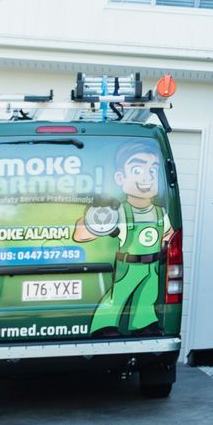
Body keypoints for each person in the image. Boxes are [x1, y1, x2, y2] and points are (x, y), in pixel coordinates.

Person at [75, 142, 173, 337]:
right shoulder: (118, 210)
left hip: (151, 266)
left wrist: (167, 245)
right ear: (120, 178)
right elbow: (81, 234)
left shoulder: (160, 213)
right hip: (128, 266)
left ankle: (143, 323)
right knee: (117, 296)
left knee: (147, 296)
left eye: (153, 171)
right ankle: (104, 324)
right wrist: (95, 215)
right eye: (138, 169)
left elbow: (168, 233)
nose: (147, 177)